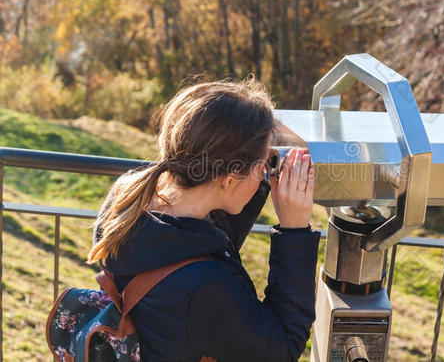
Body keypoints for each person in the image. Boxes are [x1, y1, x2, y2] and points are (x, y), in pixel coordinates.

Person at [87, 79, 320, 362]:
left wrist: (254, 126)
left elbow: (209, 234)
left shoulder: (128, 198)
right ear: (230, 178)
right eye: (263, 165)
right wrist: (294, 232)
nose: (264, 175)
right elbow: (282, 347)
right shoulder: (207, 286)